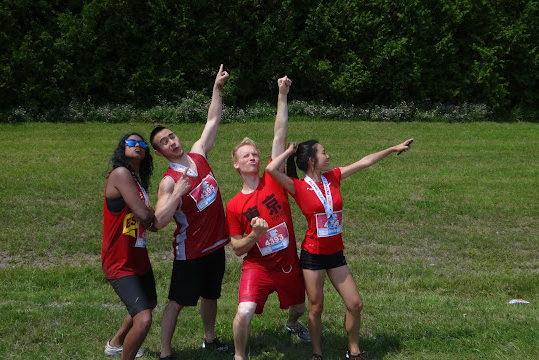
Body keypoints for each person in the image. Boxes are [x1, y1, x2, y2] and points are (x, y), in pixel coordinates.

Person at [266, 138, 414, 360]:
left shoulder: (333, 177)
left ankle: (353, 351)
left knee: (355, 304)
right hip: (313, 256)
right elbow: (269, 169)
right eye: (323, 153)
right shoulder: (297, 186)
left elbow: (364, 162)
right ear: (311, 161)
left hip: (335, 254)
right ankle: (317, 353)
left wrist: (392, 149)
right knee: (316, 308)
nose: (328, 156)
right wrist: (288, 152)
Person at [150, 64, 232, 360]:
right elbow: (158, 221)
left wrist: (217, 88)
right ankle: (165, 353)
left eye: (171, 136)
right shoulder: (169, 182)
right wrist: (179, 193)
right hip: (191, 252)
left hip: (215, 246)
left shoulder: (199, 153)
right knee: (178, 302)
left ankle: (209, 340)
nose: (172, 142)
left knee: (212, 296)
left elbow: (212, 119)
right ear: (159, 153)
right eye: (164, 143)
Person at [226, 76, 310, 360]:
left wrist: (282, 94)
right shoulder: (234, 205)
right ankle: (240, 355)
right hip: (258, 268)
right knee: (244, 311)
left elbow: (279, 135)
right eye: (246, 155)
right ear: (236, 163)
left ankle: (292, 324)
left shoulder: (274, 179)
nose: (253, 158)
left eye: (256, 154)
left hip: (287, 263)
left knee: (300, 305)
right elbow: (237, 249)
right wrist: (254, 236)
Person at [101, 133, 190, 360]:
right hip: (119, 260)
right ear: (123, 148)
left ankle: (116, 343)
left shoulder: (136, 182)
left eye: (142, 144)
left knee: (149, 302)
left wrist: (157, 212)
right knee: (144, 318)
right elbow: (145, 215)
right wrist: (171, 199)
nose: (138, 146)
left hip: (137, 256)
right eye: (132, 142)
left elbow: (151, 225)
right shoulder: (120, 174)